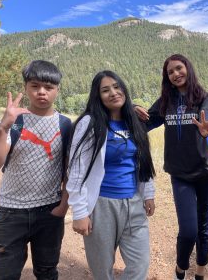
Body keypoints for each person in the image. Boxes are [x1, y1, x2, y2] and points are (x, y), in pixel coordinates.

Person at [134, 54, 208, 280]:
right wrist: (132, 110)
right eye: (170, 72)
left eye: (179, 68)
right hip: (180, 174)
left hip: (207, 171)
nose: (175, 74)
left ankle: (200, 273)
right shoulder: (166, 101)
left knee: (203, 225)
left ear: (188, 69)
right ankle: (180, 270)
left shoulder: (204, 97)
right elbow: (144, 122)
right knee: (189, 230)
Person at [0, 60, 71, 280]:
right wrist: (3, 127)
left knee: (47, 271)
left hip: (49, 212)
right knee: (5, 274)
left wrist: (63, 206)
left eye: (49, 87)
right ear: (25, 87)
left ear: (57, 90)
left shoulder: (65, 124)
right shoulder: (14, 122)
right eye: (35, 86)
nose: (42, 92)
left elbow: (70, 169)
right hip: (11, 212)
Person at [66, 70, 156, 280]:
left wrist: (148, 192)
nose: (113, 93)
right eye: (105, 90)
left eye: (117, 87)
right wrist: (80, 212)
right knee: (102, 269)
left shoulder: (134, 121)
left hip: (134, 203)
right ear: (97, 96)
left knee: (140, 265)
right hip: (101, 205)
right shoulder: (89, 123)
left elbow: (142, 161)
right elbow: (77, 170)